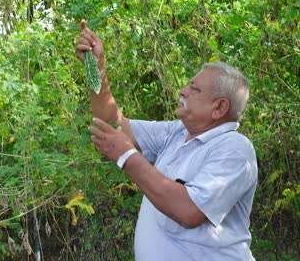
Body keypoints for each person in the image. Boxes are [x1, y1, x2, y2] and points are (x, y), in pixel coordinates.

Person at [76, 19, 258, 260]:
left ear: (219, 107)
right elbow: (113, 124)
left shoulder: (235, 149)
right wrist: (95, 67)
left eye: (195, 89)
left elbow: (189, 211)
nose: (183, 91)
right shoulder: (176, 133)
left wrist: (128, 156)